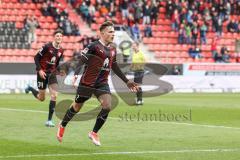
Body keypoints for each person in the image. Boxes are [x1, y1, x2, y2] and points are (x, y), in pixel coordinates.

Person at [56, 21, 139, 146]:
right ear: (102, 33)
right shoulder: (93, 46)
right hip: (87, 82)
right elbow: (82, 60)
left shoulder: (113, 48)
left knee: (107, 106)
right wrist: (76, 75)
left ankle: (94, 132)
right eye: (110, 32)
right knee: (77, 107)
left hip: (102, 83)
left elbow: (114, 66)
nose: (113, 34)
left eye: (114, 32)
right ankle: (62, 124)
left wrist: (127, 81)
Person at [25, 29, 64, 127]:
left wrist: (59, 71)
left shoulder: (61, 50)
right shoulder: (47, 47)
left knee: (54, 95)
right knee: (41, 98)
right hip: (42, 74)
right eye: (57, 36)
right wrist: (40, 70)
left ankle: (49, 121)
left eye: (60, 36)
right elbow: (36, 58)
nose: (59, 37)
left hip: (52, 75)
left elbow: (57, 63)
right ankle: (30, 88)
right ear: (54, 37)